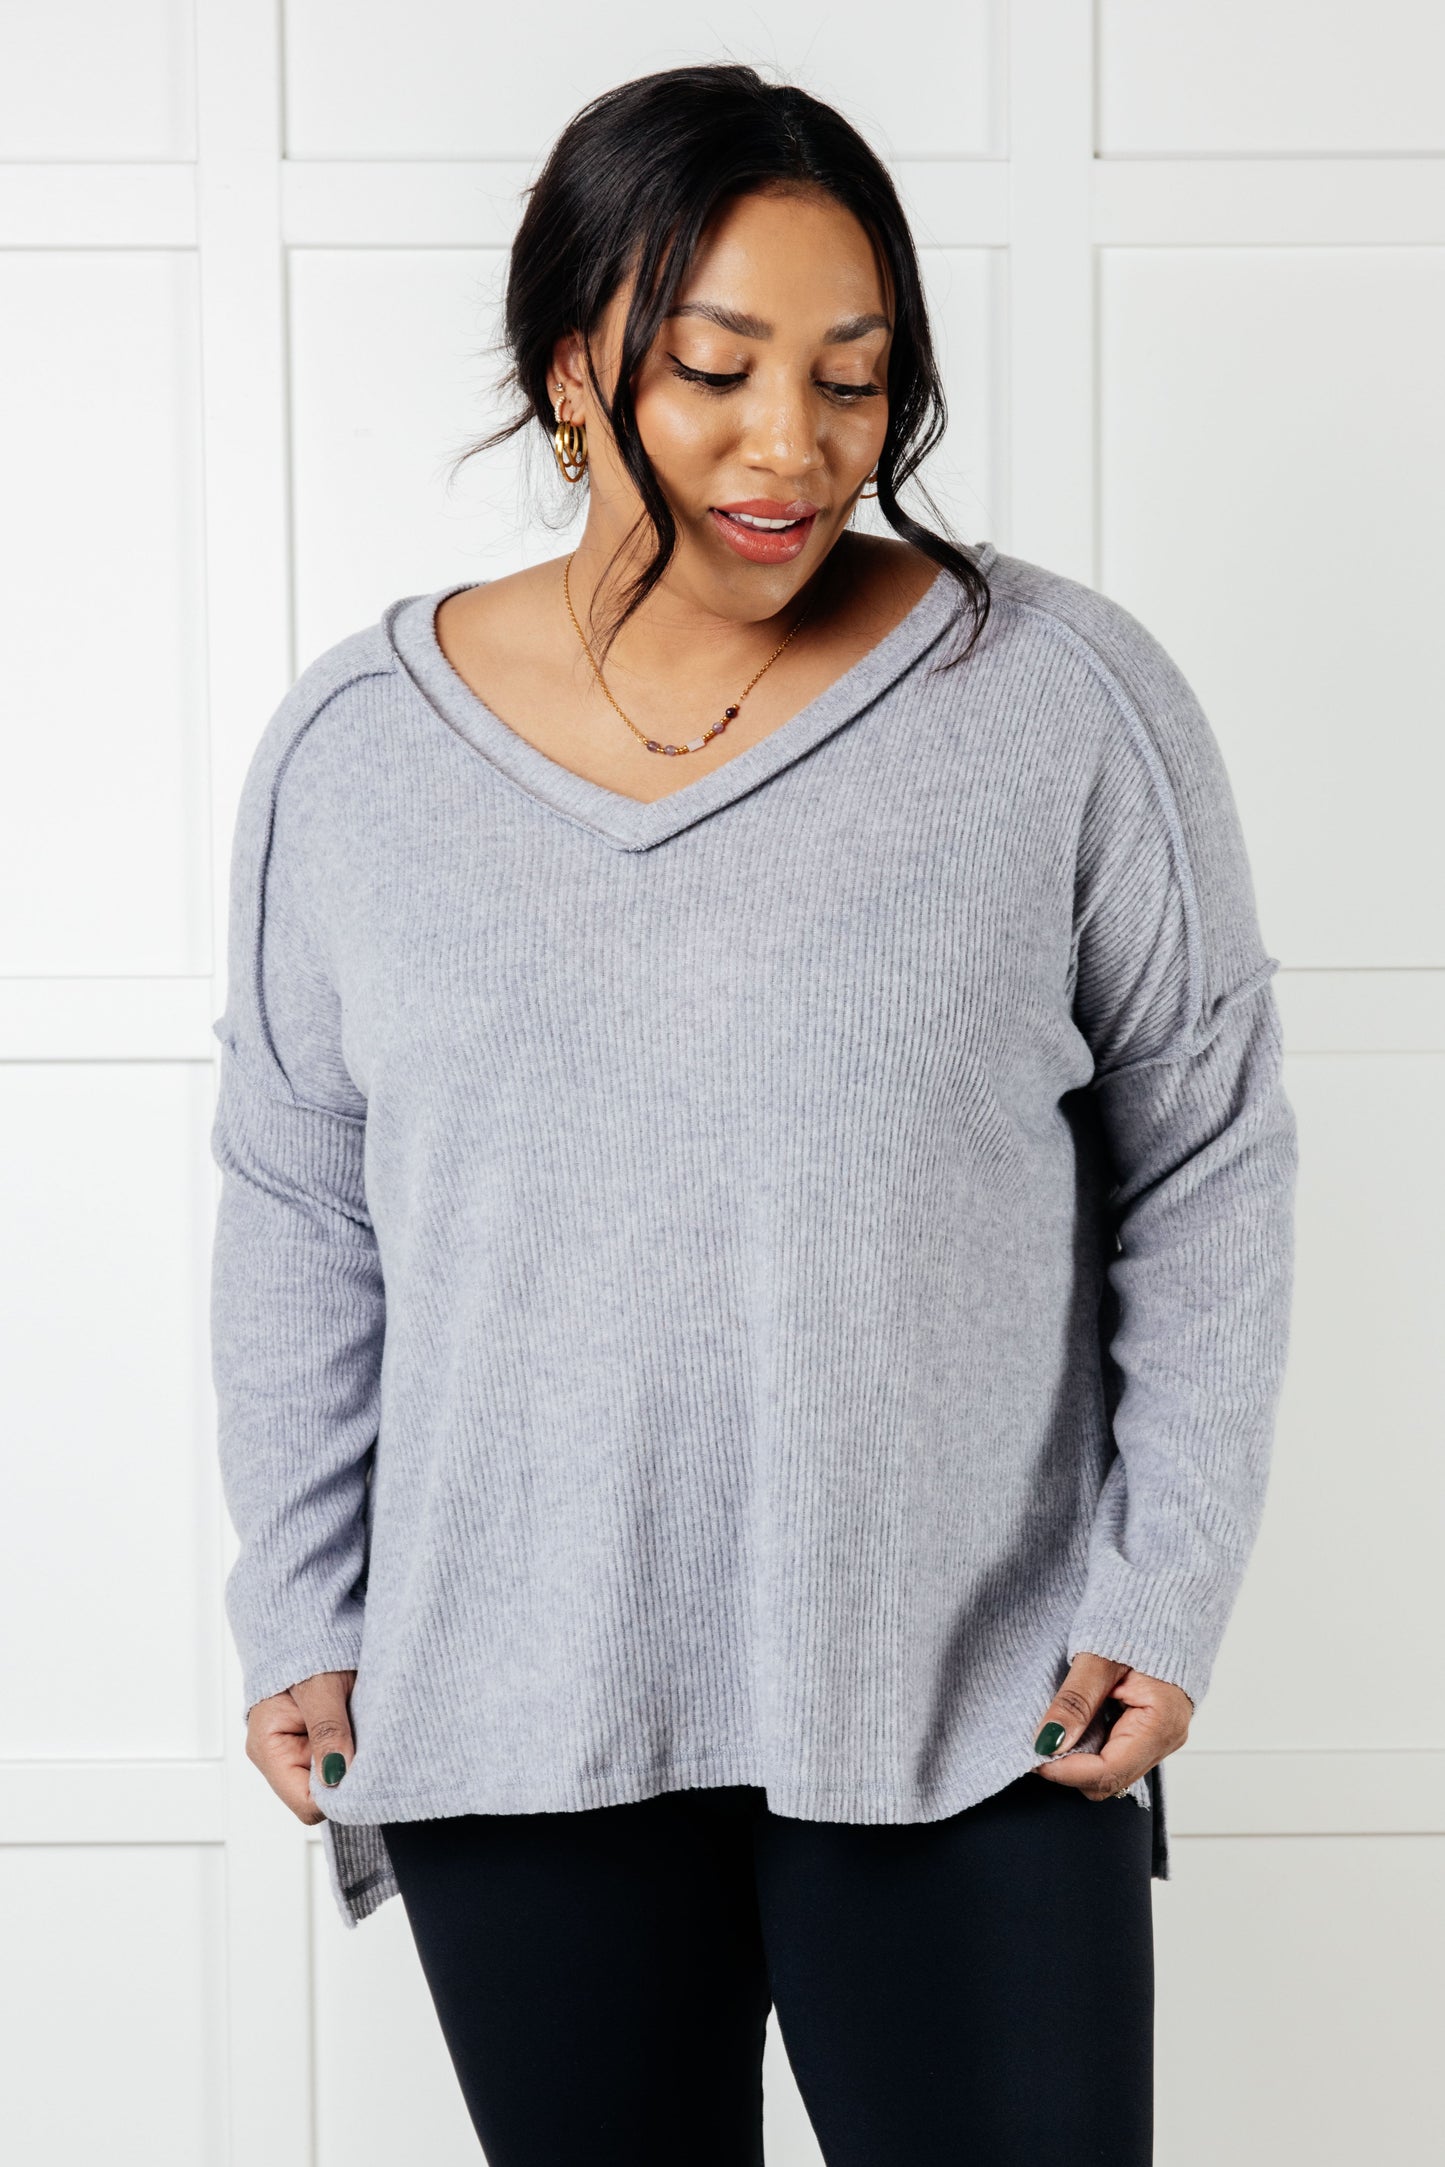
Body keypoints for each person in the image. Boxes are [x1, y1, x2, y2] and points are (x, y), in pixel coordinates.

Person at [209, 62, 1298, 2166]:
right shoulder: (352, 754)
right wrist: (304, 1607)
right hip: (512, 1705)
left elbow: (1207, 1154)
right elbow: (298, 1200)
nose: (791, 444)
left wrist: (1160, 1584)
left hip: (972, 1706)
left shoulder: (1059, 699)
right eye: (713, 373)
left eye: (853, 378)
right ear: (570, 372)